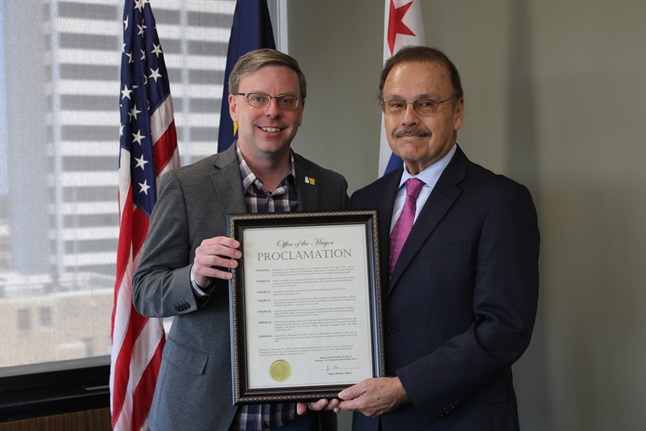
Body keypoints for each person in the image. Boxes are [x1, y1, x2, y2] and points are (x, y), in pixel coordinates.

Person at [300, 46, 539, 430]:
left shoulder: (500, 200)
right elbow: (345, 312)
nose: (408, 119)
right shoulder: (363, 202)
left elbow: (504, 328)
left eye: (425, 103)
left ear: (457, 111)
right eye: (395, 105)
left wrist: (405, 387)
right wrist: (320, 375)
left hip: (461, 420)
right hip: (372, 422)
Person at [132, 48, 349, 431]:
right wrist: (195, 278)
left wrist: (337, 369)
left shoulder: (330, 187)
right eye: (258, 98)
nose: (272, 111)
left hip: (298, 414)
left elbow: (342, 297)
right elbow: (145, 291)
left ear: (300, 110)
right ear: (234, 107)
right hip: (205, 410)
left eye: (286, 100)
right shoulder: (187, 186)